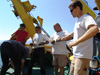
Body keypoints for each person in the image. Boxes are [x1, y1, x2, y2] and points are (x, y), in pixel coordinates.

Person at [61, 1, 99, 75]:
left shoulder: (86, 18)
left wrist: (75, 42)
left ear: (77, 8)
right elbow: (73, 34)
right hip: (76, 56)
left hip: (82, 56)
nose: (70, 13)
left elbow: (95, 29)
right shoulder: (78, 21)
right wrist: (64, 38)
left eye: (71, 10)